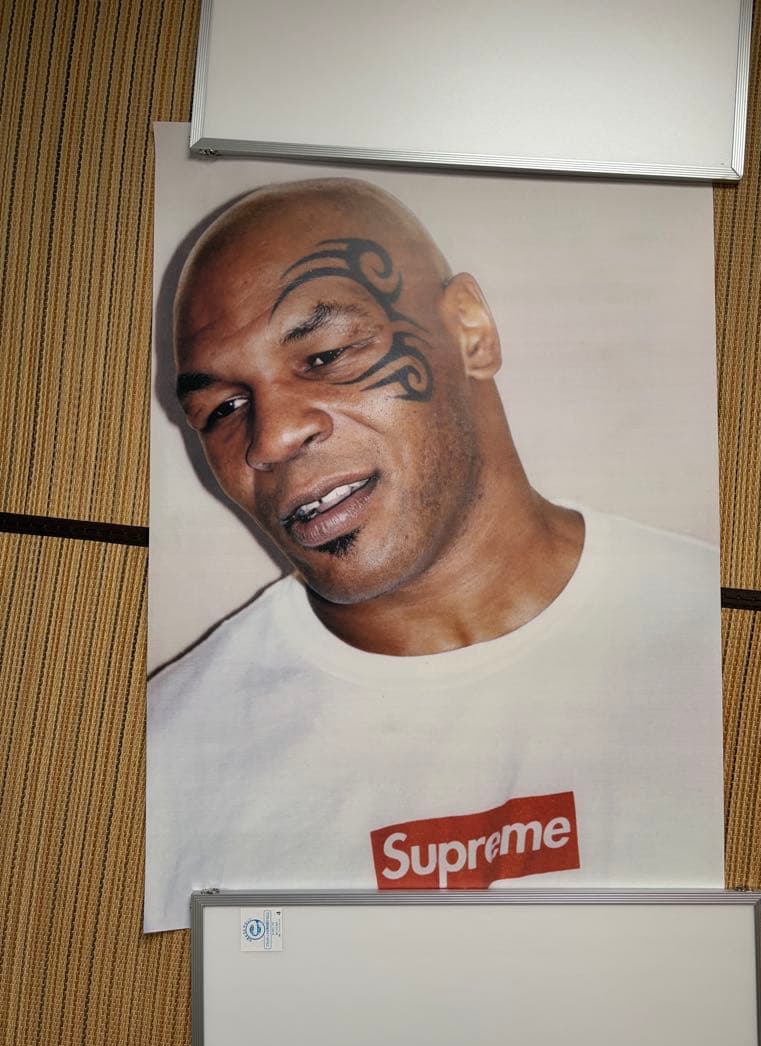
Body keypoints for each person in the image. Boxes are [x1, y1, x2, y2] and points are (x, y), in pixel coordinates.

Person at [145, 179, 723, 932]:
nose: (271, 437)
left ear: (471, 333)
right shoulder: (164, 769)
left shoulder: (733, 648)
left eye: (326, 354)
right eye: (221, 409)